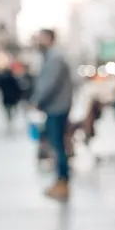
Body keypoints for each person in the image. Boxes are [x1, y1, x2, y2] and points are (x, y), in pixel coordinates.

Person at [31, 28, 74, 201]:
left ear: (49, 38)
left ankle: (62, 182)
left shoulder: (54, 58)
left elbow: (48, 83)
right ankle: (60, 181)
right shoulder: (52, 57)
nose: (38, 41)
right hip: (57, 107)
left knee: (57, 146)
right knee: (56, 145)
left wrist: (37, 100)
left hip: (57, 108)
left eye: (41, 38)